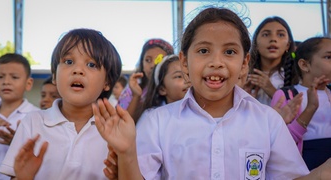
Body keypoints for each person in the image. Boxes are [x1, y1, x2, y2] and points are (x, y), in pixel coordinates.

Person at [93, 7, 331, 179]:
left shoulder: (268, 121)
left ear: (245, 63)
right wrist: (127, 155)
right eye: (204, 50)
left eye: (229, 52)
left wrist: (322, 173)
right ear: (185, 63)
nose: (216, 62)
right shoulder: (156, 122)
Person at [0, 28, 122, 180]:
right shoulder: (33, 122)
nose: (78, 70)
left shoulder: (117, 129)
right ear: (54, 77)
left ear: (107, 82)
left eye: (91, 64)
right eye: (68, 62)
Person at [270, 37, 331, 170]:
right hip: (304, 168)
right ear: (304, 65)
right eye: (328, 57)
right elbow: (278, 144)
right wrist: (310, 109)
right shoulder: (286, 95)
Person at [117, 38, 174, 119]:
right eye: (148, 60)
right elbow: (121, 124)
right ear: (142, 64)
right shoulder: (131, 91)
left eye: (159, 59)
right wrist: (136, 96)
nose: (152, 65)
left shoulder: (178, 87)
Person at [246, 16, 296, 105]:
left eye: (280, 35)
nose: (273, 39)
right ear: (256, 44)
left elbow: (297, 112)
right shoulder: (243, 73)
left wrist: (271, 89)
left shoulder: (296, 75)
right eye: (266, 34)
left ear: (288, 45)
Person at [133, 54, 191, 122]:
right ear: (162, 89)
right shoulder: (152, 118)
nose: (188, 79)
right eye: (178, 76)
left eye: (189, 74)